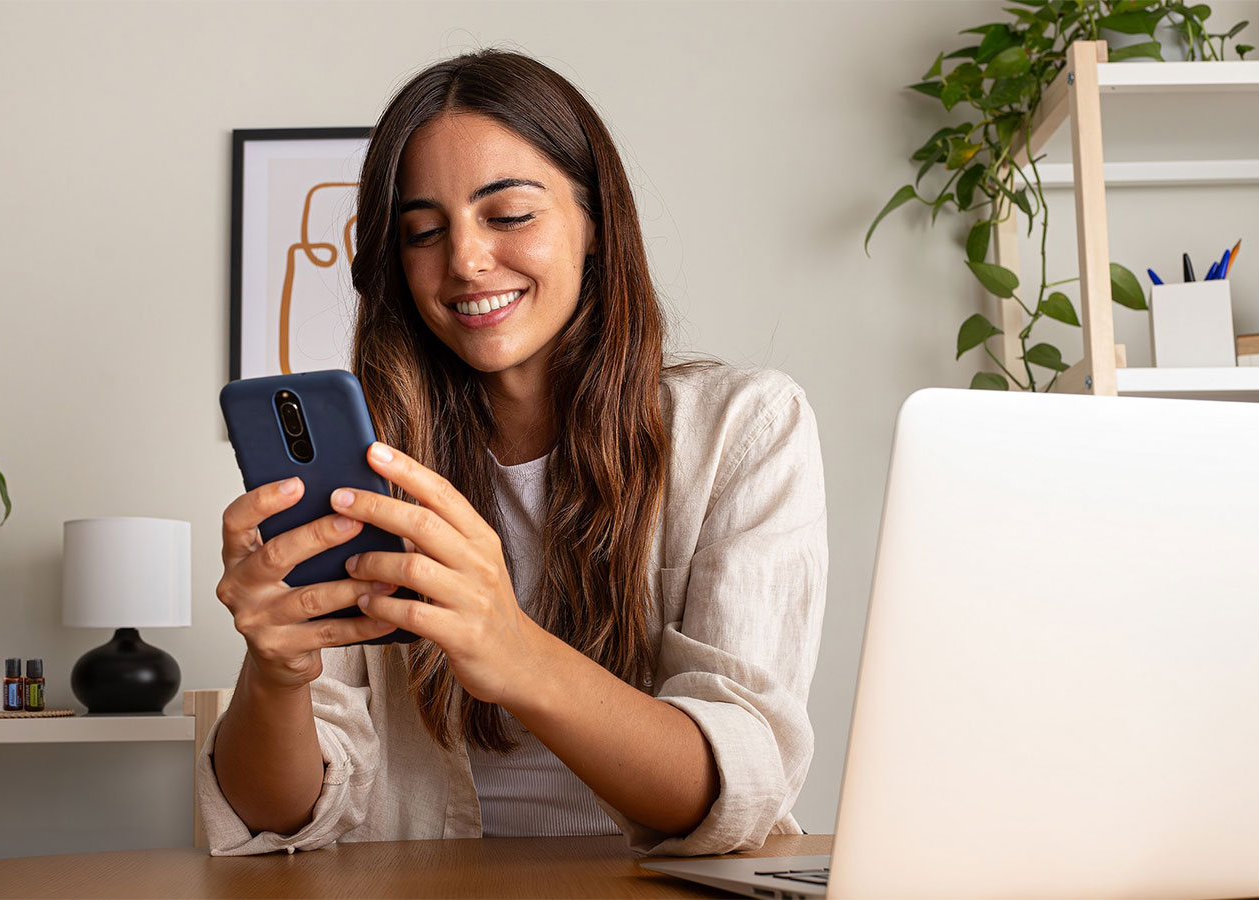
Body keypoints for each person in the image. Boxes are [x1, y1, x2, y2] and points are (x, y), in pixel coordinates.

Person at [201, 48, 827, 857]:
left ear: (594, 221)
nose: (464, 260)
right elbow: (274, 819)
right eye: (424, 231)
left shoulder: (743, 428)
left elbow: (737, 784)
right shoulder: (371, 466)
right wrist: (277, 674)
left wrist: (511, 649)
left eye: (509, 216)